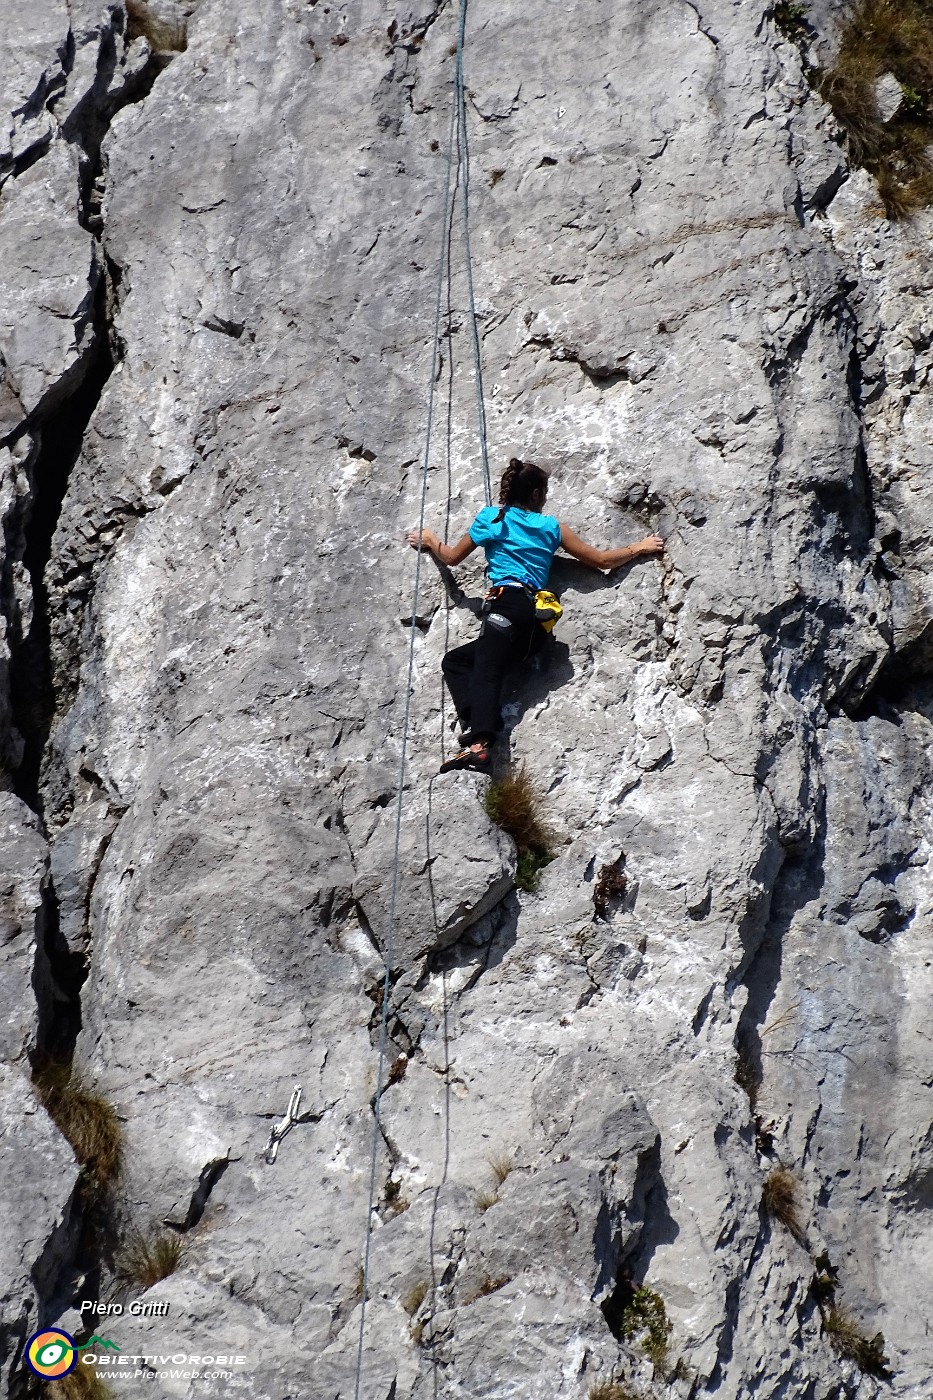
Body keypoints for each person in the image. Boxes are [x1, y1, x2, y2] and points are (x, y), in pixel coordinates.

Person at [406, 458, 664, 774]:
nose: (545, 499)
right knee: (457, 661)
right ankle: (480, 721)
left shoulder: (492, 520)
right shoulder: (551, 528)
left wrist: (431, 541)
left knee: (486, 669)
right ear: (535, 494)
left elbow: (452, 558)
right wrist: (639, 547)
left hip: (506, 608)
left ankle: (480, 747)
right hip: (535, 627)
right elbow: (600, 560)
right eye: (544, 492)